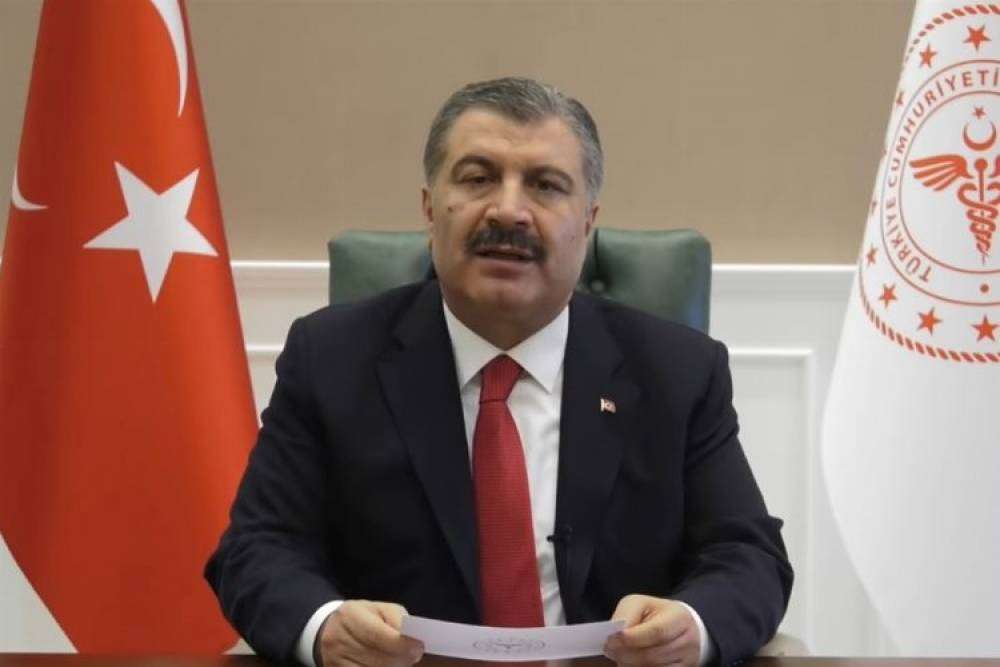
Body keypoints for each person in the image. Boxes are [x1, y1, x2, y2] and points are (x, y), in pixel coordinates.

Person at [206, 77, 792, 667]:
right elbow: (257, 548)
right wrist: (325, 627)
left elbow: (748, 555)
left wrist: (691, 627)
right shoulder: (331, 358)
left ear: (587, 221)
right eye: (478, 178)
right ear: (430, 207)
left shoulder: (677, 370)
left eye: (545, 185)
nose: (509, 210)